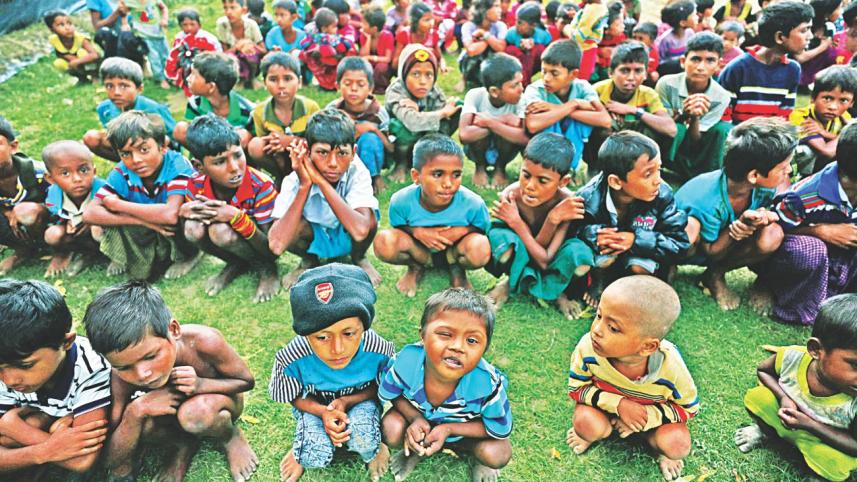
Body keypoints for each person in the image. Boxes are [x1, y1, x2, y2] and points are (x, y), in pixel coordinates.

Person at [83, 281, 258, 482]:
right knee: (140, 423)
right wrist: (136, 411)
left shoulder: (204, 342)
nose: (142, 374)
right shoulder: (120, 377)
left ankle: (230, 437)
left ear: (173, 330)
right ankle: (182, 444)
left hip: (217, 404)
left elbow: (245, 381)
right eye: (124, 367)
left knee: (196, 412)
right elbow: (110, 457)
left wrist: (201, 385)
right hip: (170, 417)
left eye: (150, 356)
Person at [271, 263, 395, 482]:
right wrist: (322, 412)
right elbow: (293, 396)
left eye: (349, 333)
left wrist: (347, 401)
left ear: (363, 327)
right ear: (306, 334)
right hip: (313, 406)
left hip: (362, 402)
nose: (338, 349)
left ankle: (376, 447)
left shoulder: (378, 350)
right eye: (322, 337)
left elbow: (383, 387)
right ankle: (301, 445)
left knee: (366, 441)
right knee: (311, 455)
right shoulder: (292, 357)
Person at [566, 275, 697, 482]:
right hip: (604, 409)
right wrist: (618, 405)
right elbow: (576, 389)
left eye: (613, 328)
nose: (596, 330)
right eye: (599, 316)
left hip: (652, 419)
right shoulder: (587, 348)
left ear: (647, 347)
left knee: (677, 445)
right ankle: (598, 432)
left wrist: (644, 418)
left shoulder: (672, 369)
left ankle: (656, 447)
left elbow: (688, 408)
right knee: (585, 424)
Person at [379, 288, 512, 482]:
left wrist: (449, 429)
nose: (458, 346)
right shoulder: (406, 362)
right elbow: (392, 393)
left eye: (472, 340)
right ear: (423, 336)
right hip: (420, 426)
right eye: (445, 334)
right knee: (391, 428)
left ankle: (477, 460)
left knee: (498, 452)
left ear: (484, 349)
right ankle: (415, 450)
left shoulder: (487, 385)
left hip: (464, 436)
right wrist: (415, 418)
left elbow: (497, 428)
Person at [676, 117, 794, 311]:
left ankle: (715, 274)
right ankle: (666, 270)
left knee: (773, 235)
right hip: (693, 249)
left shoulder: (760, 184)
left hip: (719, 246)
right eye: (783, 167)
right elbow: (711, 252)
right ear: (754, 175)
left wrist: (772, 211)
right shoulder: (706, 200)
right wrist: (736, 229)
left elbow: (784, 184)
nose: (788, 170)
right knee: (690, 229)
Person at [736, 294, 857, 482]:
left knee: (835, 461)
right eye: (855, 365)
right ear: (816, 350)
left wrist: (809, 424)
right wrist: (784, 397)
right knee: (760, 398)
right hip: (784, 420)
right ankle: (765, 432)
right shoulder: (793, 358)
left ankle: (818, 475)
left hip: (823, 442)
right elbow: (763, 371)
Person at [0, 280, 111, 477]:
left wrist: (11, 425)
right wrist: (43, 451)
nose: (9, 380)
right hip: (50, 430)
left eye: (26, 365)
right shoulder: (7, 363)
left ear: (66, 341)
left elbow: (81, 460)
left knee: (19, 432)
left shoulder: (91, 368)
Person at [268, 109, 382, 289]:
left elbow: (360, 231)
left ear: (353, 152)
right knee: (290, 223)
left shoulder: (358, 172)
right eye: (322, 152)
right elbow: (276, 244)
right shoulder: (294, 179)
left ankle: (359, 257)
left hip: (346, 231)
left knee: (370, 220)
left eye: (342, 153)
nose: (333, 163)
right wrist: (305, 185)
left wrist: (320, 181)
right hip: (315, 232)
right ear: (307, 151)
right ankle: (309, 260)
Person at [82, 111, 201, 281]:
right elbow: (90, 214)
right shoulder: (123, 171)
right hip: (152, 224)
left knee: (185, 218)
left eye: (144, 149)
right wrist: (144, 221)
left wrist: (119, 206)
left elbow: (170, 215)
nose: (136, 160)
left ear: (163, 146)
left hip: (177, 226)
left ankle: (190, 255)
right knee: (98, 227)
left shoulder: (177, 165)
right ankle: (123, 255)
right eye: (125, 154)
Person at [576, 131, 689, 307]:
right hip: (609, 258)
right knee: (604, 256)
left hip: (642, 256)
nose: (657, 180)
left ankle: (644, 288)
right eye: (648, 174)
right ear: (615, 181)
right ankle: (601, 284)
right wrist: (593, 235)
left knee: (639, 266)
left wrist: (636, 240)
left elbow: (680, 244)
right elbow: (570, 234)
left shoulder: (663, 195)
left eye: (658, 169)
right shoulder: (589, 198)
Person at [486, 133, 593, 319]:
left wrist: (551, 219)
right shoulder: (511, 195)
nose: (530, 186)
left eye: (542, 181)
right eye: (525, 175)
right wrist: (517, 225)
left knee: (580, 256)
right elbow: (530, 253)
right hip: (522, 254)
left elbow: (545, 260)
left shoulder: (567, 203)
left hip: (552, 257)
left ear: (563, 182)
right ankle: (509, 283)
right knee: (501, 241)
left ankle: (558, 291)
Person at [760, 122, 857, 325]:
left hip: (841, 265)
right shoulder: (805, 195)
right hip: (804, 261)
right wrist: (821, 231)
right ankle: (791, 303)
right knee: (810, 249)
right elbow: (775, 233)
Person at [374, 134, 491, 296]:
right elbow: (399, 227)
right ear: (416, 176)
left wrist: (460, 231)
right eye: (438, 174)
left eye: (456, 174)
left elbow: (482, 228)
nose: (448, 184)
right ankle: (415, 267)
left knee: (480, 247)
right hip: (419, 250)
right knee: (384, 242)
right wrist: (417, 232)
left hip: (455, 251)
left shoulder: (473, 203)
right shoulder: (401, 201)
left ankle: (458, 271)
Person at [182, 115, 280, 304]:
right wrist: (184, 210)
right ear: (199, 167)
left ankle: (266, 269)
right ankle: (236, 263)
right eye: (219, 162)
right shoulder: (196, 185)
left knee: (221, 232)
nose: (234, 168)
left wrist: (236, 217)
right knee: (192, 228)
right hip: (233, 239)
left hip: (262, 247)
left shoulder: (261, 187)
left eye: (237, 155)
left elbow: (272, 248)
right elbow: (191, 223)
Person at [522, 39, 611, 173]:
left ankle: (587, 169)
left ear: (573, 74)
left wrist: (561, 107)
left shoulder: (582, 87)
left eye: (554, 73)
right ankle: (549, 169)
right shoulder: (536, 89)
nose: (546, 78)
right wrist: (574, 105)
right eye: (544, 71)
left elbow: (605, 120)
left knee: (601, 132)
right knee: (547, 123)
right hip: (543, 144)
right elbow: (533, 125)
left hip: (576, 135)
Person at [719, 1, 813, 124]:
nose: (810, 36)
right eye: (804, 30)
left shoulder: (792, 70)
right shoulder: (738, 68)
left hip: (768, 138)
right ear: (780, 37)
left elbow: (784, 117)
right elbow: (723, 117)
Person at [588, 41, 677, 171]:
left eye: (638, 71)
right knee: (601, 128)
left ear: (646, 74)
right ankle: (599, 168)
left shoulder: (648, 95)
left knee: (654, 128)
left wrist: (634, 111)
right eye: (624, 70)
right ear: (611, 72)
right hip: (603, 149)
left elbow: (671, 129)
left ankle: (643, 168)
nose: (631, 77)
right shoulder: (597, 91)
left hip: (635, 150)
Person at [656, 31, 733, 180]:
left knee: (723, 129)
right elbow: (662, 125)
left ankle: (708, 174)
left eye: (710, 61)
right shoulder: (666, 84)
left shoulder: (721, 96)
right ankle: (664, 166)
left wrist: (695, 118)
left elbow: (696, 140)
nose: (701, 67)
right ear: (683, 61)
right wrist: (683, 114)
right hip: (670, 140)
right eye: (695, 59)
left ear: (719, 65)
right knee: (677, 129)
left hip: (698, 144)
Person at [384, 45, 461, 182]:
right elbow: (412, 122)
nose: (423, 81)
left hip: (424, 137)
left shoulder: (433, 91)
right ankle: (400, 165)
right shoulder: (396, 91)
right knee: (400, 126)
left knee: (458, 107)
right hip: (398, 143)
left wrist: (446, 110)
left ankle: (429, 160)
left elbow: (442, 117)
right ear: (404, 74)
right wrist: (442, 112)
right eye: (416, 74)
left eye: (429, 75)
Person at [83, 57, 177, 163]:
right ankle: (126, 165)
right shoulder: (104, 110)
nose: (116, 92)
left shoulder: (154, 109)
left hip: (156, 152)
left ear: (139, 88)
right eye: (110, 86)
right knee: (91, 138)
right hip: (128, 148)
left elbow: (174, 138)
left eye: (123, 86)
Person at [248, 52, 320, 185]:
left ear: (299, 81)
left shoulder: (310, 107)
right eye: (273, 79)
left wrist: (289, 141)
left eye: (287, 79)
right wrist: (274, 142)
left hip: (305, 158)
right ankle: (282, 177)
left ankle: (305, 177)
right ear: (264, 82)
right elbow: (262, 140)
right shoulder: (260, 112)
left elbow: (319, 142)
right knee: (255, 145)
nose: (281, 85)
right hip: (278, 159)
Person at [459, 53, 529, 188]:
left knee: (506, 134)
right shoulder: (475, 95)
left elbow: (524, 138)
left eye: (521, 82)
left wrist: (490, 122)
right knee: (506, 130)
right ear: (494, 91)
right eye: (514, 85)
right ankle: (480, 167)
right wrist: (505, 123)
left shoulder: (522, 100)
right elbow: (464, 135)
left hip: (506, 149)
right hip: (477, 149)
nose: (521, 88)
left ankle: (500, 168)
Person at [41, 141, 107, 278]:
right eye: (65, 173)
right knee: (52, 234)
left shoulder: (104, 189)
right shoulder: (54, 195)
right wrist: (66, 222)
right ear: (50, 178)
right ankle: (72, 253)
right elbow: (57, 214)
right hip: (76, 234)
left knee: (96, 229)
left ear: (94, 171)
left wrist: (89, 219)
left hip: (102, 230)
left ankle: (113, 256)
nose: (77, 179)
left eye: (83, 170)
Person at [326, 57, 391, 193]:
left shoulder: (378, 112)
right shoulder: (332, 110)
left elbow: (390, 148)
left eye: (360, 85)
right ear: (338, 86)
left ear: (370, 88)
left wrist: (372, 129)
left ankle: (374, 178)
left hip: (372, 156)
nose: (354, 89)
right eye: (348, 83)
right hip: (340, 158)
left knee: (369, 139)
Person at [172, 52, 255, 150]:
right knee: (180, 129)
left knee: (244, 136)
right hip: (207, 147)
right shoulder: (195, 103)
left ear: (211, 87)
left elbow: (255, 137)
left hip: (234, 152)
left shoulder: (247, 111)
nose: (188, 78)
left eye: (193, 75)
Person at [0, 116, 49, 276]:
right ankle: (22, 250)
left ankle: (57, 248)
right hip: (13, 225)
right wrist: (7, 212)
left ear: (13, 147)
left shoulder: (38, 172)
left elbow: (62, 198)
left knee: (25, 212)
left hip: (46, 221)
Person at [789, 65, 857, 176]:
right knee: (807, 152)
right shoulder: (802, 117)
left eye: (843, 100)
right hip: (795, 168)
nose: (833, 107)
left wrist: (824, 133)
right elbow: (827, 151)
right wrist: (847, 130)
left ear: (851, 103)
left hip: (823, 166)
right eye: (827, 98)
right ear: (813, 97)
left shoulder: (844, 116)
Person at [165, 7, 223, 97]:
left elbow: (218, 54)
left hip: (207, 63)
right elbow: (175, 55)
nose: (189, 28)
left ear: (199, 25)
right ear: (180, 26)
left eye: (192, 24)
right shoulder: (179, 38)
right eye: (185, 25)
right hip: (187, 65)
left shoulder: (208, 38)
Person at [298, 7, 357, 91]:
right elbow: (304, 45)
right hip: (320, 63)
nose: (336, 29)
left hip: (334, 63)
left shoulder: (336, 38)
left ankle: (332, 85)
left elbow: (345, 45)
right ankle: (323, 84)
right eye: (334, 27)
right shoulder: (314, 36)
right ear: (324, 28)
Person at [217, 0, 267, 88]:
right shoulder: (222, 24)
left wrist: (249, 44)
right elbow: (224, 53)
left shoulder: (251, 25)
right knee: (229, 57)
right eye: (225, 8)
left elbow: (263, 50)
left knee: (250, 53)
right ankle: (237, 80)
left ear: (244, 10)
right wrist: (237, 47)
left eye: (233, 8)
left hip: (250, 57)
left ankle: (251, 79)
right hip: (234, 58)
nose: (228, 12)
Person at [459, 0, 508, 89]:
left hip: (491, 63)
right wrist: (488, 40)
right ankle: (464, 79)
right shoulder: (468, 26)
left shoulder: (500, 26)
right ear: (484, 10)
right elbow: (471, 51)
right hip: (472, 66)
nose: (500, 10)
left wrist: (484, 34)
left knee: (496, 53)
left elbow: (501, 47)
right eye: (496, 6)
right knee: (474, 54)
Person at [43, 9, 101, 83]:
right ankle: (82, 78)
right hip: (75, 63)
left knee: (82, 52)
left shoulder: (80, 38)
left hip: (95, 62)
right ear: (52, 30)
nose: (67, 28)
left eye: (69, 23)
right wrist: (72, 60)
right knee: (59, 63)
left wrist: (77, 61)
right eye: (61, 25)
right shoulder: (54, 40)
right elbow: (60, 53)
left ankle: (95, 76)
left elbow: (95, 55)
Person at [125, 0, 171, 89]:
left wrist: (164, 19)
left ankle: (170, 76)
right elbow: (123, 12)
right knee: (154, 58)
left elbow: (164, 8)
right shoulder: (131, 2)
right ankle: (161, 79)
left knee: (166, 55)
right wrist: (125, 24)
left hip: (159, 32)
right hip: (144, 34)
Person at [504, 3, 551, 87]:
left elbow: (549, 53)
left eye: (520, 23)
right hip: (516, 65)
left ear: (533, 25)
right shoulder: (511, 34)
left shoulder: (543, 36)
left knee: (539, 49)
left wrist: (533, 46)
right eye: (516, 21)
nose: (516, 25)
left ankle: (527, 82)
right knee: (511, 50)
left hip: (534, 64)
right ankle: (522, 82)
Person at [392, 2, 445, 73]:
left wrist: (442, 65)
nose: (431, 23)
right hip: (407, 72)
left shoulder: (433, 35)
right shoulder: (404, 34)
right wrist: (415, 53)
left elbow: (440, 57)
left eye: (432, 19)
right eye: (426, 20)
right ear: (415, 22)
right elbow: (394, 65)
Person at [359, 6, 395, 94]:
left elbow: (387, 59)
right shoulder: (364, 35)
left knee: (381, 67)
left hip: (382, 67)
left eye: (364, 23)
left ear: (374, 29)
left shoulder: (387, 36)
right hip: (371, 65)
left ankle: (381, 88)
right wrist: (368, 39)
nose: (361, 25)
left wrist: (371, 57)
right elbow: (363, 56)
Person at [655, 1, 698, 76]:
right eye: (694, 15)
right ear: (683, 23)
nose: (697, 17)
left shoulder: (690, 33)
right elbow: (660, 63)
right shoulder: (666, 40)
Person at [632, 21, 660, 86]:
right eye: (634, 37)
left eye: (641, 39)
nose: (636, 41)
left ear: (651, 40)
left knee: (654, 76)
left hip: (644, 74)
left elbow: (653, 66)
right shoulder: (630, 48)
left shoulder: (653, 52)